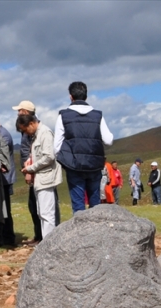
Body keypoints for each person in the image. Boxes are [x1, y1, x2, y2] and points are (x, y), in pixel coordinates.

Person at [54, 81, 113, 214]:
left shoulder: (63, 115)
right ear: (86, 96)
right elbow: (108, 140)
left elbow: (56, 147)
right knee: (95, 206)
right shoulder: (97, 115)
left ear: (71, 96)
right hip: (95, 165)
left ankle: (80, 234)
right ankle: (97, 233)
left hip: (74, 166)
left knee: (78, 207)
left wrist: (66, 162)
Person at [17, 113, 61, 240]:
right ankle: (46, 241)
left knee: (47, 214)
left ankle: (49, 243)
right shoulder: (36, 135)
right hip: (40, 179)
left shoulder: (45, 133)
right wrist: (30, 160)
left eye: (25, 130)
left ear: (31, 123)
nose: (26, 133)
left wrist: (30, 168)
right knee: (42, 212)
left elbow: (49, 157)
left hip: (46, 179)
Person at [0, 115, 16, 248]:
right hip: (5, 177)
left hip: (5, 178)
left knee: (5, 209)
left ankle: (8, 237)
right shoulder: (4, 132)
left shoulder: (3, 135)